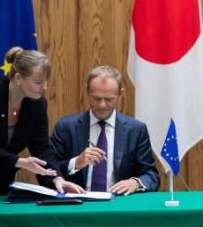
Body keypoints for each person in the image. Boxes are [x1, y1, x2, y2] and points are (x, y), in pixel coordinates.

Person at [0, 47, 83, 227]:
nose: (45, 87)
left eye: (46, 81)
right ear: (17, 78)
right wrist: (21, 162)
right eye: (39, 82)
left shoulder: (37, 104)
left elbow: (42, 149)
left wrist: (57, 179)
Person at [51, 65, 159, 194]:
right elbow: (49, 171)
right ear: (87, 92)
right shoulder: (66, 127)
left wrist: (135, 182)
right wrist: (76, 163)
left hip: (119, 206)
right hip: (78, 204)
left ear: (120, 94)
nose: (102, 105)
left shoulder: (136, 130)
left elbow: (151, 175)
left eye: (109, 99)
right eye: (96, 98)